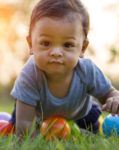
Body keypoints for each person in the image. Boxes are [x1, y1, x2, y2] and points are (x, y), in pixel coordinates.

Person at [10, 0, 119, 138]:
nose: (56, 52)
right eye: (46, 43)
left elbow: (109, 93)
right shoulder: (29, 75)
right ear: (31, 44)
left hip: (80, 112)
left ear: (82, 48)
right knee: (18, 126)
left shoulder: (87, 70)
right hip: (36, 115)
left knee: (93, 126)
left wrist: (114, 98)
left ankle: (85, 129)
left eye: (67, 45)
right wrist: (32, 143)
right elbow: (25, 122)